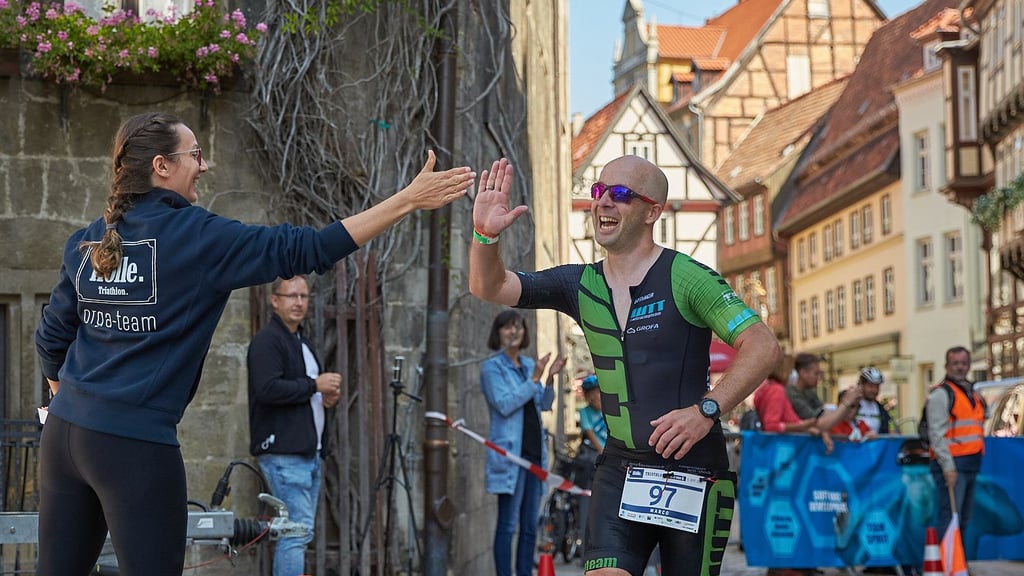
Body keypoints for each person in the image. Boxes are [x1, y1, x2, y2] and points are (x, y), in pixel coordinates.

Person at [32, 112, 474, 576]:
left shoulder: (88, 238)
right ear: (162, 166)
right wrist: (405, 200)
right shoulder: (199, 237)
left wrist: (71, 403)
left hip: (64, 437)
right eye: (195, 155)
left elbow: (51, 337)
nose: (204, 166)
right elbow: (307, 249)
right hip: (133, 444)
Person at [469, 155, 783, 576]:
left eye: (620, 195)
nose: (603, 203)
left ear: (652, 211)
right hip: (621, 469)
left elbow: (762, 345)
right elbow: (489, 285)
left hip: (695, 470)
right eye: (598, 192)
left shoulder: (686, 276)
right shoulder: (579, 284)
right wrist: (485, 236)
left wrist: (707, 409)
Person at [247, 275, 340, 576]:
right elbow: (267, 389)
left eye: (304, 296)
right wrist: (314, 385)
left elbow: (299, 390)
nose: (299, 302)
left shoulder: (300, 340)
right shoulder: (267, 341)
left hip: (305, 451)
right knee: (295, 533)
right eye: (292, 296)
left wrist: (323, 397)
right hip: (284, 451)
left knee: (299, 531)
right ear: (275, 300)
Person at [480, 309, 564, 576]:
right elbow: (504, 404)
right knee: (507, 524)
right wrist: (535, 379)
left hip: (534, 456)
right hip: (511, 458)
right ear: (498, 333)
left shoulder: (529, 365)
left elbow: (543, 404)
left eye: (519, 327)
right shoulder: (491, 367)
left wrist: (549, 378)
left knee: (530, 526)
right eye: (508, 327)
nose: (514, 331)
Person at [925, 346, 984, 537]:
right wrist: (948, 467)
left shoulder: (971, 393)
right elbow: (936, 433)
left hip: (970, 462)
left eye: (964, 363)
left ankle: (958, 565)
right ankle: (946, 564)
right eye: (955, 363)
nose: (960, 367)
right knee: (950, 518)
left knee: (963, 519)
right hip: (952, 464)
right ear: (947, 366)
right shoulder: (941, 394)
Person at [753, 355, 833, 452]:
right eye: (791, 370)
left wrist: (809, 429)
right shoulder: (776, 390)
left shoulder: (769, 388)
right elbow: (771, 425)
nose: (794, 374)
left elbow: (788, 421)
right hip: (781, 449)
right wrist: (803, 426)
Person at [787, 353, 860, 444]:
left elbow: (824, 414)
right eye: (816, 373)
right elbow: (820, 424)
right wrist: (846, 402)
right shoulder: (793, 395)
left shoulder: (809, 392)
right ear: (803, 373)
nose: (819, 378)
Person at [577, 374, 608, 559]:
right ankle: (585, 552)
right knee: (588, 508)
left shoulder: (611, 410)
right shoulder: (584, 412)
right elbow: (590, 434)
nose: (596, 398)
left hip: (609, 460)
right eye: (592, 395)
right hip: (593, 462)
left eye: (598, 394)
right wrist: (604, 452)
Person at [854, 366, 893, 435]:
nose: (874, 390)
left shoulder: (881, 409)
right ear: (861, 385)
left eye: (877, 386)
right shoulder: (852, 406)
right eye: (870, 386)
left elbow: (889, 430)